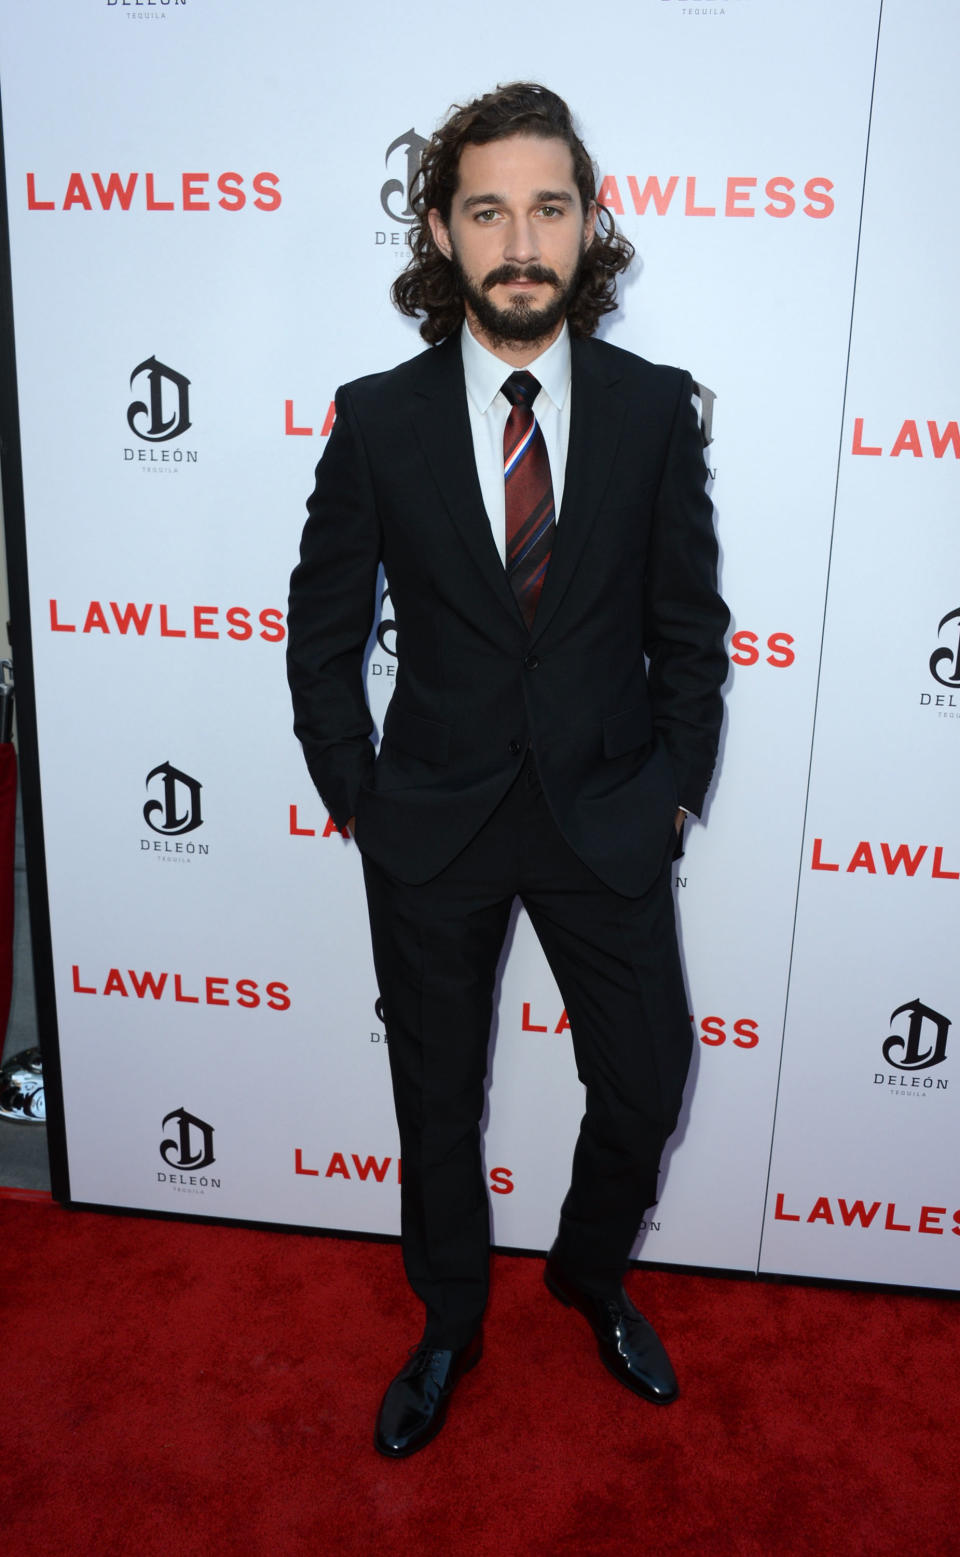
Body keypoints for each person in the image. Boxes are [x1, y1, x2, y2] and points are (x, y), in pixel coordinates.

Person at [287, 82, 729, 1458]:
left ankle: (587, 1278)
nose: (521, 239)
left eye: (548, 207)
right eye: (489, 210)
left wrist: (671, 788)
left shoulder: (657, 412)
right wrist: (357, 790)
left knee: (649, 1077)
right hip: (430, 822)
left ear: (589, 223)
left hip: (605, 814)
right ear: (442, 228)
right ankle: (449, 1322)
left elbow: (689, 627)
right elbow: (321, 626)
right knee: (436, 1102)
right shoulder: (380, 417)